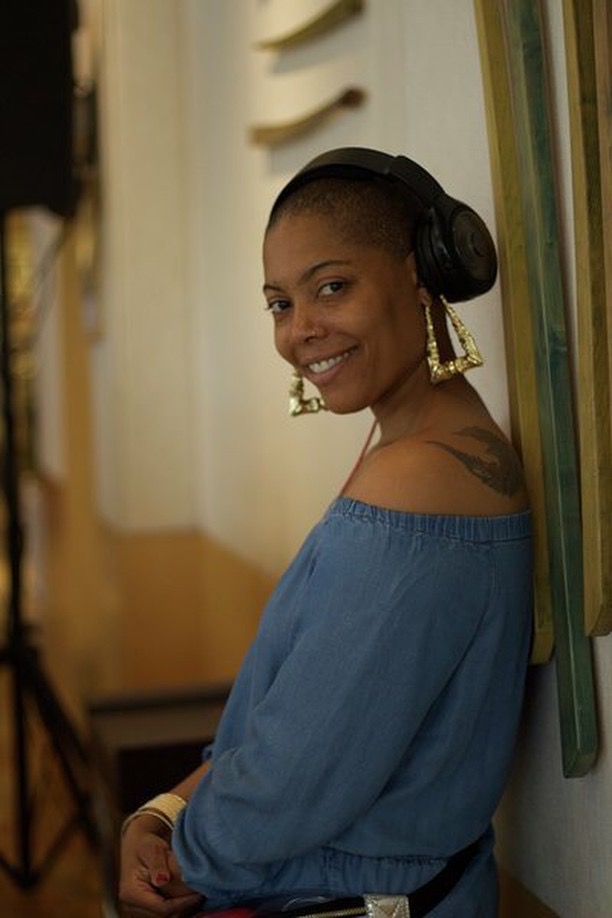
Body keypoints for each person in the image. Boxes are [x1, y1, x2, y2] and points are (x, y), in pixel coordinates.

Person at [119, 147, 533, 918]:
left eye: (332, 287)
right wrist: (165, 810)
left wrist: (179, 857)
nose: (300, 330)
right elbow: (280, 727)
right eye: (280, 303)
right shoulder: (415, 452)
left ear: (423, 276)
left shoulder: (417, 485)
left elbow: (292, 781)